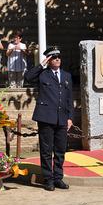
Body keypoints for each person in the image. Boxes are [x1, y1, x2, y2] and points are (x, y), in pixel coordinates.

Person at [24, 46, 73, 191]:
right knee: (46, 151)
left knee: (60, 150)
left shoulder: (66, 76)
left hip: (62, 118)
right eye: (54, 57)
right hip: (46, 118)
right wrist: (42, 64)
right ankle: (48, 179)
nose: (57, 59)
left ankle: (58, 178)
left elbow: (69, 98)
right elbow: (28, 77)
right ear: (49, 60)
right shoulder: (43, 74)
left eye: (58, 57)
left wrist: (70, 117)